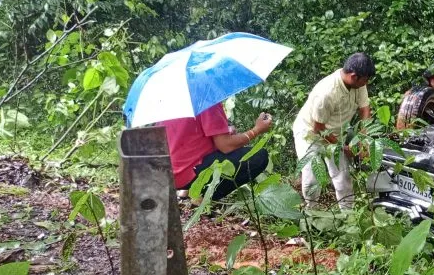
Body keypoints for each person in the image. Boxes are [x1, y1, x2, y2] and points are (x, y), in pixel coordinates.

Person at [292, 52, 375, 208]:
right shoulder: (327, 92)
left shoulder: (359, 84)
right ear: (354, 76)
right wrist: (344, 149)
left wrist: (363, 139)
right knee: (312, 177)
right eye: (365, 79)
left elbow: (364, 110)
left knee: (343, 176)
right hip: (309, 134)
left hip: (336, 133)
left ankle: (348, 217)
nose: (367, 83)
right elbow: (319, 128)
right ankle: (312, 214)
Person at [160, 104, 272, 201]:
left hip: (166, 174)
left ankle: (189, 192)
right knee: (259, 156)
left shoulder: (168, 102)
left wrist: (223, 133)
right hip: (189, 173)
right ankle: (202, 195)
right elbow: (226, 146)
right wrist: (257, 130)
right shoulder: (206, 99)